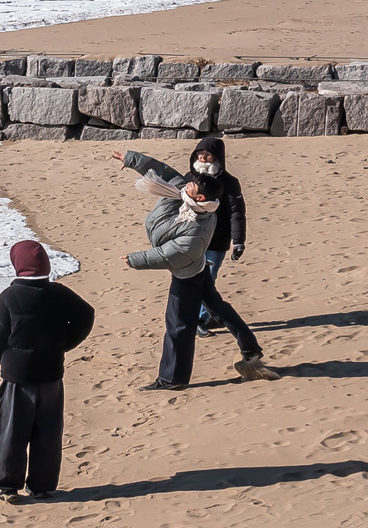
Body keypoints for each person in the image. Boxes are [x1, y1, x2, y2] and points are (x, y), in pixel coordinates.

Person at [114, 148, 280, 390]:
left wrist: (136, 259)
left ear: (200, 198)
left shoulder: (197, 231)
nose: (187, 185)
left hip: (187, 275)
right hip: (199, 268)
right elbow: (163, 171)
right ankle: (250, 348)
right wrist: (131, 160)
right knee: (217, 308)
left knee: (178, 326)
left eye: (192, 187)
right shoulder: (184, 195)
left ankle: (172, 380)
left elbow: (171, 255)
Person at [0, 239, 95, 501]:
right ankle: (42, 485)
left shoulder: (9, 297)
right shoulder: (58, 293)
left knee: (11, 430)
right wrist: (64, 344)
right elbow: (86, 315)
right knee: (48, 432)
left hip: (18, 378)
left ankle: (8, 485)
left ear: (17, 265)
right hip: (51, 374)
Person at [188, 136, 245, 336]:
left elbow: (236, 213)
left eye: (207, 155)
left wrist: (238, 241)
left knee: (208, 281)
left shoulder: (230, 183)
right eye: (199, 155)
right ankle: (195, 320)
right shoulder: (189, 180)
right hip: (192, 241)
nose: (202, 158)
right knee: (196, 282)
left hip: (217, 242)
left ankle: (203, 317)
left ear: (217, 158)